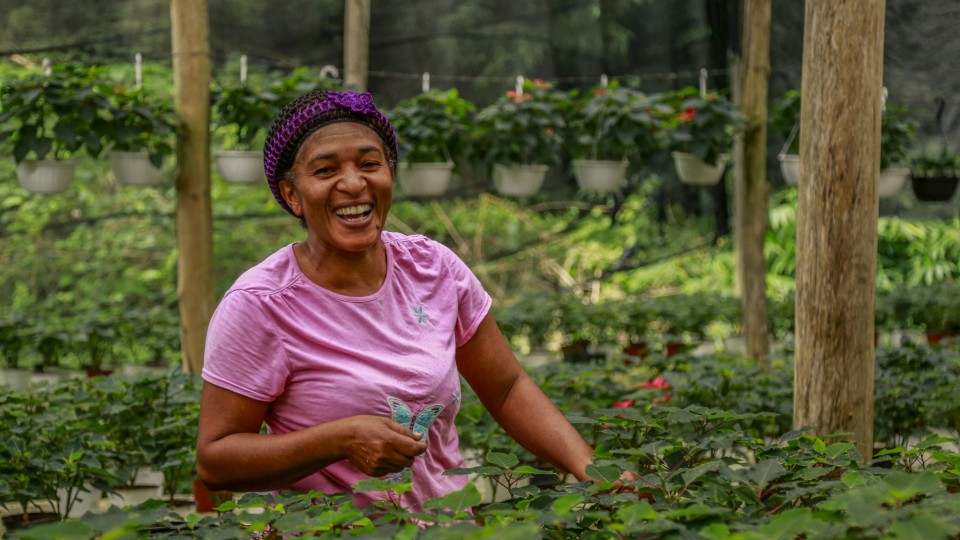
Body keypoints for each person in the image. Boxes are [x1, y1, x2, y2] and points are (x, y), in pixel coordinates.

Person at [196, 89, 597, 510]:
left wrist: (591, 468)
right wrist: (339, 439)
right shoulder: (261, 304)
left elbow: (507, 387)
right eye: (325, 170)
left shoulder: (433, 267)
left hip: (448, 529)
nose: (353, 184)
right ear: (292, 195)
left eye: (370, 164)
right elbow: (217, 460)